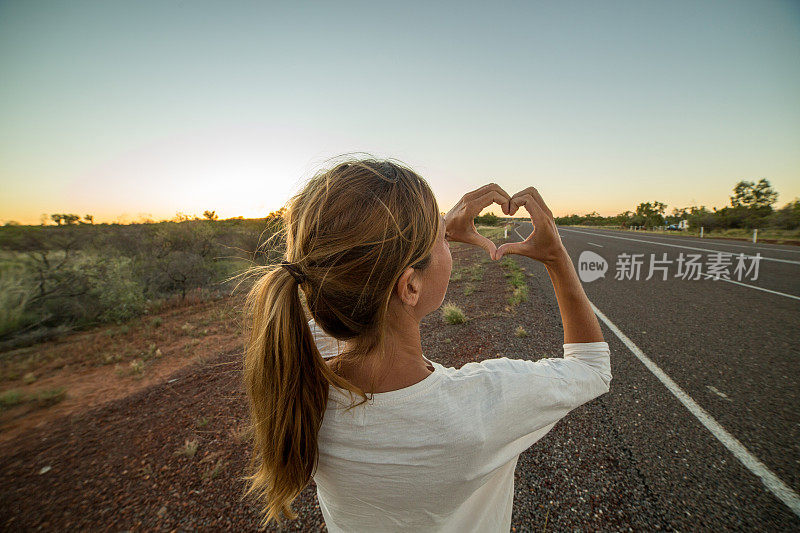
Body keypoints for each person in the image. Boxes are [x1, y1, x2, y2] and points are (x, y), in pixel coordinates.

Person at [242, 157, 611, 531]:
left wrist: (431, 230)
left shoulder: (302, 368)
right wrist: (556, 256)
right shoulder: (483, 406)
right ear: (410, 287)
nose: (447, 242)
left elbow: (351, 282)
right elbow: (592, 368)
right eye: (441, 239)